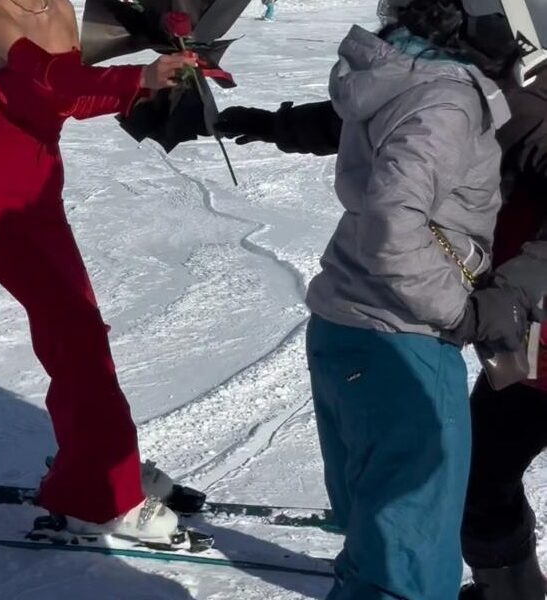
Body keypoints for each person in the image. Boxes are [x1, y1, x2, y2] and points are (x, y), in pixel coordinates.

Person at [216, 0, 547, 597]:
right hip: (468, 321)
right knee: (455, 491)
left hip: (494, 312)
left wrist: (507, 295)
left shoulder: (495, 92)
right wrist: (273, 126)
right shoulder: (463, 87)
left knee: (448, 492)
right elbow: (394, 124)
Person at [0, 0, 196, 544]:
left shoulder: (61, 9)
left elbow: (72, 100)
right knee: (78, 339)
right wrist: (136, 76)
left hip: (42, 198)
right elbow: (51, 79)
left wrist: (154, 87)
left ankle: (97, 466)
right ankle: (100, 499)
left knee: (81, 338)